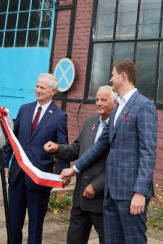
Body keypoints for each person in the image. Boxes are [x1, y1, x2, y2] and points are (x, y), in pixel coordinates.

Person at [60, 60, 158, 244]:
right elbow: (100, 145)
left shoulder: (143, 106)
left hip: (130, 193)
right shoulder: (117, 108)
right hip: (110, 193)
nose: (110, 79)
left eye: (113, 75)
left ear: (123, 76)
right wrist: (75, 169)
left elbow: (148, 152)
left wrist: (140, 192)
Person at [44, 85, 117, 244]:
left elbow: (118, 165)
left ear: (115, 102)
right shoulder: (90, 121)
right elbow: (78, 148)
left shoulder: (120, 128)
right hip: (80, 201)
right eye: (97, 99)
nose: (98, 103)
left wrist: (97, 186)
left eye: (103, 100)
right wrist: (58, 148)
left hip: (102, 202)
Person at [2, 73, 68, 244]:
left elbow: (63, 147)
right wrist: (5, 162)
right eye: (37, 86)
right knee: (13, 224)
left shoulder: (59, 116)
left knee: (35, 226)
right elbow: (12, 138)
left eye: (42, 88)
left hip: (39, 179)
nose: (37, 90)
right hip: (17, 176)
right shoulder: (24, 109)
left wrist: (64, 172)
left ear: (53, 92)